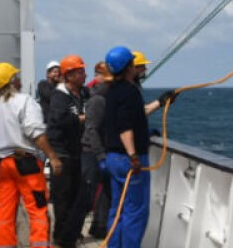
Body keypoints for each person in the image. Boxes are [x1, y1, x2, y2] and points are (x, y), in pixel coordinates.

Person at [0, 62, 63, 248]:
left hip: (0, 166)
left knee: (4, 213)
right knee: (38, 210)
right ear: (12, 81)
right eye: (16, 77)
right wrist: (52, 157)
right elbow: (36, 133)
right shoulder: (24, 101)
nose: (19, 80)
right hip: (26, 164)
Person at [101, 46, 177, 248]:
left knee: (117, 209)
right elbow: (125, 127)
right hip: (128, 160)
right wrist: (133, 156)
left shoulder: (112, 92)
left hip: (113, 158)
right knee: (135, 212)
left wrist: (160, 103)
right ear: (128, 67)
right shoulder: (130, 92)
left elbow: (129, 118)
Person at [47, 55, 88, 247]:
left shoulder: (83, 94)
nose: (84, 75)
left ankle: (71, 233)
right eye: (80, 72)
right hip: (61, 153)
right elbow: (59, 120)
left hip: (77, 151)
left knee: (75, 195)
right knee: (62, 197)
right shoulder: (59, 96)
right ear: (69, 75)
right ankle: (61, 237)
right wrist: (81, 119)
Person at [80, 61, 112, 239]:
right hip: (92, 152)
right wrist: (100, 156)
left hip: (99, 151)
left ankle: (98, 227)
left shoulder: (102, 97)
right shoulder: (98, 100)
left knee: (103, 193)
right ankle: (69, 234)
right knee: (87, 195)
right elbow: (92, 129)